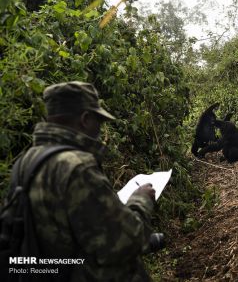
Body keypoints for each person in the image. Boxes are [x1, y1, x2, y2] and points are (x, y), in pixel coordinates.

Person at [15, 81, 156, 281]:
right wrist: (141, 200)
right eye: (99, 121)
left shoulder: (26, 160)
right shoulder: (78, 167)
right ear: (86, 119)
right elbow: (124, 242)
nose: (100, 129)